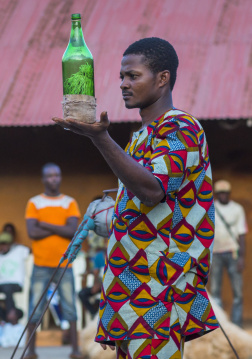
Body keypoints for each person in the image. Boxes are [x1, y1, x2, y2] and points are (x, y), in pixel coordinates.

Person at [54, 37, 218, 358]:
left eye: (133, 76)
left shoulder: (180, 128)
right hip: (133, 284)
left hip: (161, 285)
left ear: (162, 78)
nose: (124, 84)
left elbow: (152, 189)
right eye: (121, 77)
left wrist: (101, 139)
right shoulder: (141, 137)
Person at [24, 162, 82, 359]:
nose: (53, 179)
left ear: (60, 177)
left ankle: (75, 350)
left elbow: (72, 231)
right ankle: (31, 352)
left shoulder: (69, 202)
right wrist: (60, 227)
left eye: (56, 175)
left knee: (70, 306)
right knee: (35, 306)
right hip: (40, 264)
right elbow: (32, 232)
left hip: (65, 264)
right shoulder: (34, 202)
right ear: (43, 179)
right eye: (49, 176)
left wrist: (45, 224)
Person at [210, 180, 248, 327]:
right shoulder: (211, 207)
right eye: (220, 193)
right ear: (217, 194)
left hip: (233, 252)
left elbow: (242, 234)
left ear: (229, 194)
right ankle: (219, 326)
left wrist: (242, 257)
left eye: (225, 193)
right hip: (216, 253)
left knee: (237, 292)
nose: (223, 196)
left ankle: (237, 325)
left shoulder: (237, 209)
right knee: (215, 291)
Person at [0, 231, 30, 321]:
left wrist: (17, 245)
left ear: (10, 244)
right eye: (1, 244)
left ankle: (11, 316)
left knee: (7, 288)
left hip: (16, 284)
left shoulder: (19, 250)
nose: (3, 246)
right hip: (1, 284)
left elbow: (30, 251)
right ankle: (4, 317)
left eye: (6, 244)